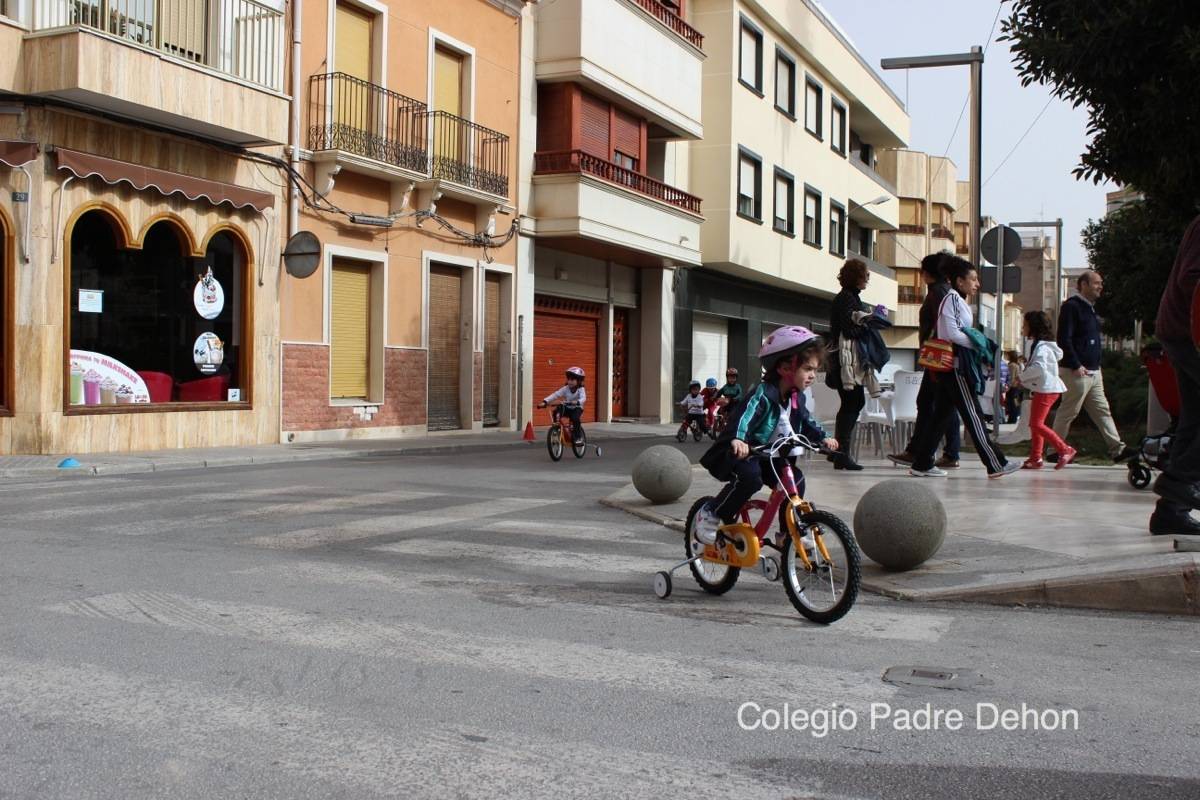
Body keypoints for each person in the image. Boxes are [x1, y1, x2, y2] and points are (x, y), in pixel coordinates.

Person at [693, 327, 838, 543]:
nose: (812, 376)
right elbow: (744, 416)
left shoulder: (796, 398)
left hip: (774, 457)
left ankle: (788, 534)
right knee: (751, 479)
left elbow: (807, 422)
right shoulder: (763, 393)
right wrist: (739, 439)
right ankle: (712, 512)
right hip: (748, 453)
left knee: (795, 481)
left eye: (815, 370)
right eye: (808, 368)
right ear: (784, 367)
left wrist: (823, 437)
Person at [908, 256, 1021, 479]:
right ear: (960, 282)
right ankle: (996, 463)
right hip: (956, 367)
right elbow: (951, 333)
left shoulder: (953, 299)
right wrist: (978, 342)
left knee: (940, 417)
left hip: (950, 368)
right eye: (973, 279)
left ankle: (921, 463)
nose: (977, 284)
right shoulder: (952, 300)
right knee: (973, 416)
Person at [1050, 270, 1137, 463]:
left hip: (1094, 371)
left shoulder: (1090, 308)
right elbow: (1064, 338)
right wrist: (1075, 364)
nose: (1100, 287)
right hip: (1077, 371)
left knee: (1102, 411)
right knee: (1069, 411)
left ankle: (1117, 449)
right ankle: (1055, 449)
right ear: (1084, 285)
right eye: (1096, 283)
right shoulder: (1072, 307)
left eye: (1100, 283)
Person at [1149, 214, 1200, 535]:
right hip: (1191, 332)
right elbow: (1194, 278)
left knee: (1194, 419)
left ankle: (1171, 512)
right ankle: (1178, 484)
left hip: (1183, 330)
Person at [888, 252, 961, 469]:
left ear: (927, 274)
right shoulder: (948, 292)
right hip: (941, 357)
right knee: (940, 405)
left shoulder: (937, 294)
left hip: (936, 358)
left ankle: (923, 451)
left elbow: (938, 327)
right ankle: (942, 452)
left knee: (933, 405)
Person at [826, 258, 874, 471]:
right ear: (856, 277)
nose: (867, 281)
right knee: (852, 403)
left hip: (847, 360)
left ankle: (839, 453)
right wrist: (868, 324)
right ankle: (840, 453)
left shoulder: (849, 297)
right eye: (865, 276)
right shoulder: (847, 298)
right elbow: (848, 329)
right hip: (846, 361)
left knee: (852, 403)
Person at [1016, 311, 1075, 470]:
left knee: (1036, 424)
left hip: (1047, 389)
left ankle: (1065, 449)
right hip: (1045, 388)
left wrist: (1021, 377)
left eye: (1025, 324)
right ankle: (1036, 457)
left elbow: (1039, 368)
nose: (1023, 327)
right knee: (1036, 424)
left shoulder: (1042, 348)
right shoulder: (1040, 345)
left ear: (1033, 327)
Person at [537, 366, 586, 440]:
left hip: (577, 408)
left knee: (575, 418)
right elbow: (555, 394)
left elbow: (583, 398)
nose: (570, 381)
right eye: (568, 379)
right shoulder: (566, 388)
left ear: (579, 381)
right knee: (557, 411)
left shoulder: (581, 389)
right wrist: (545, 401)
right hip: (567, 408)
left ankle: (578, 436)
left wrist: (578, 402)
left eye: (572, 380)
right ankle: (556, 429)